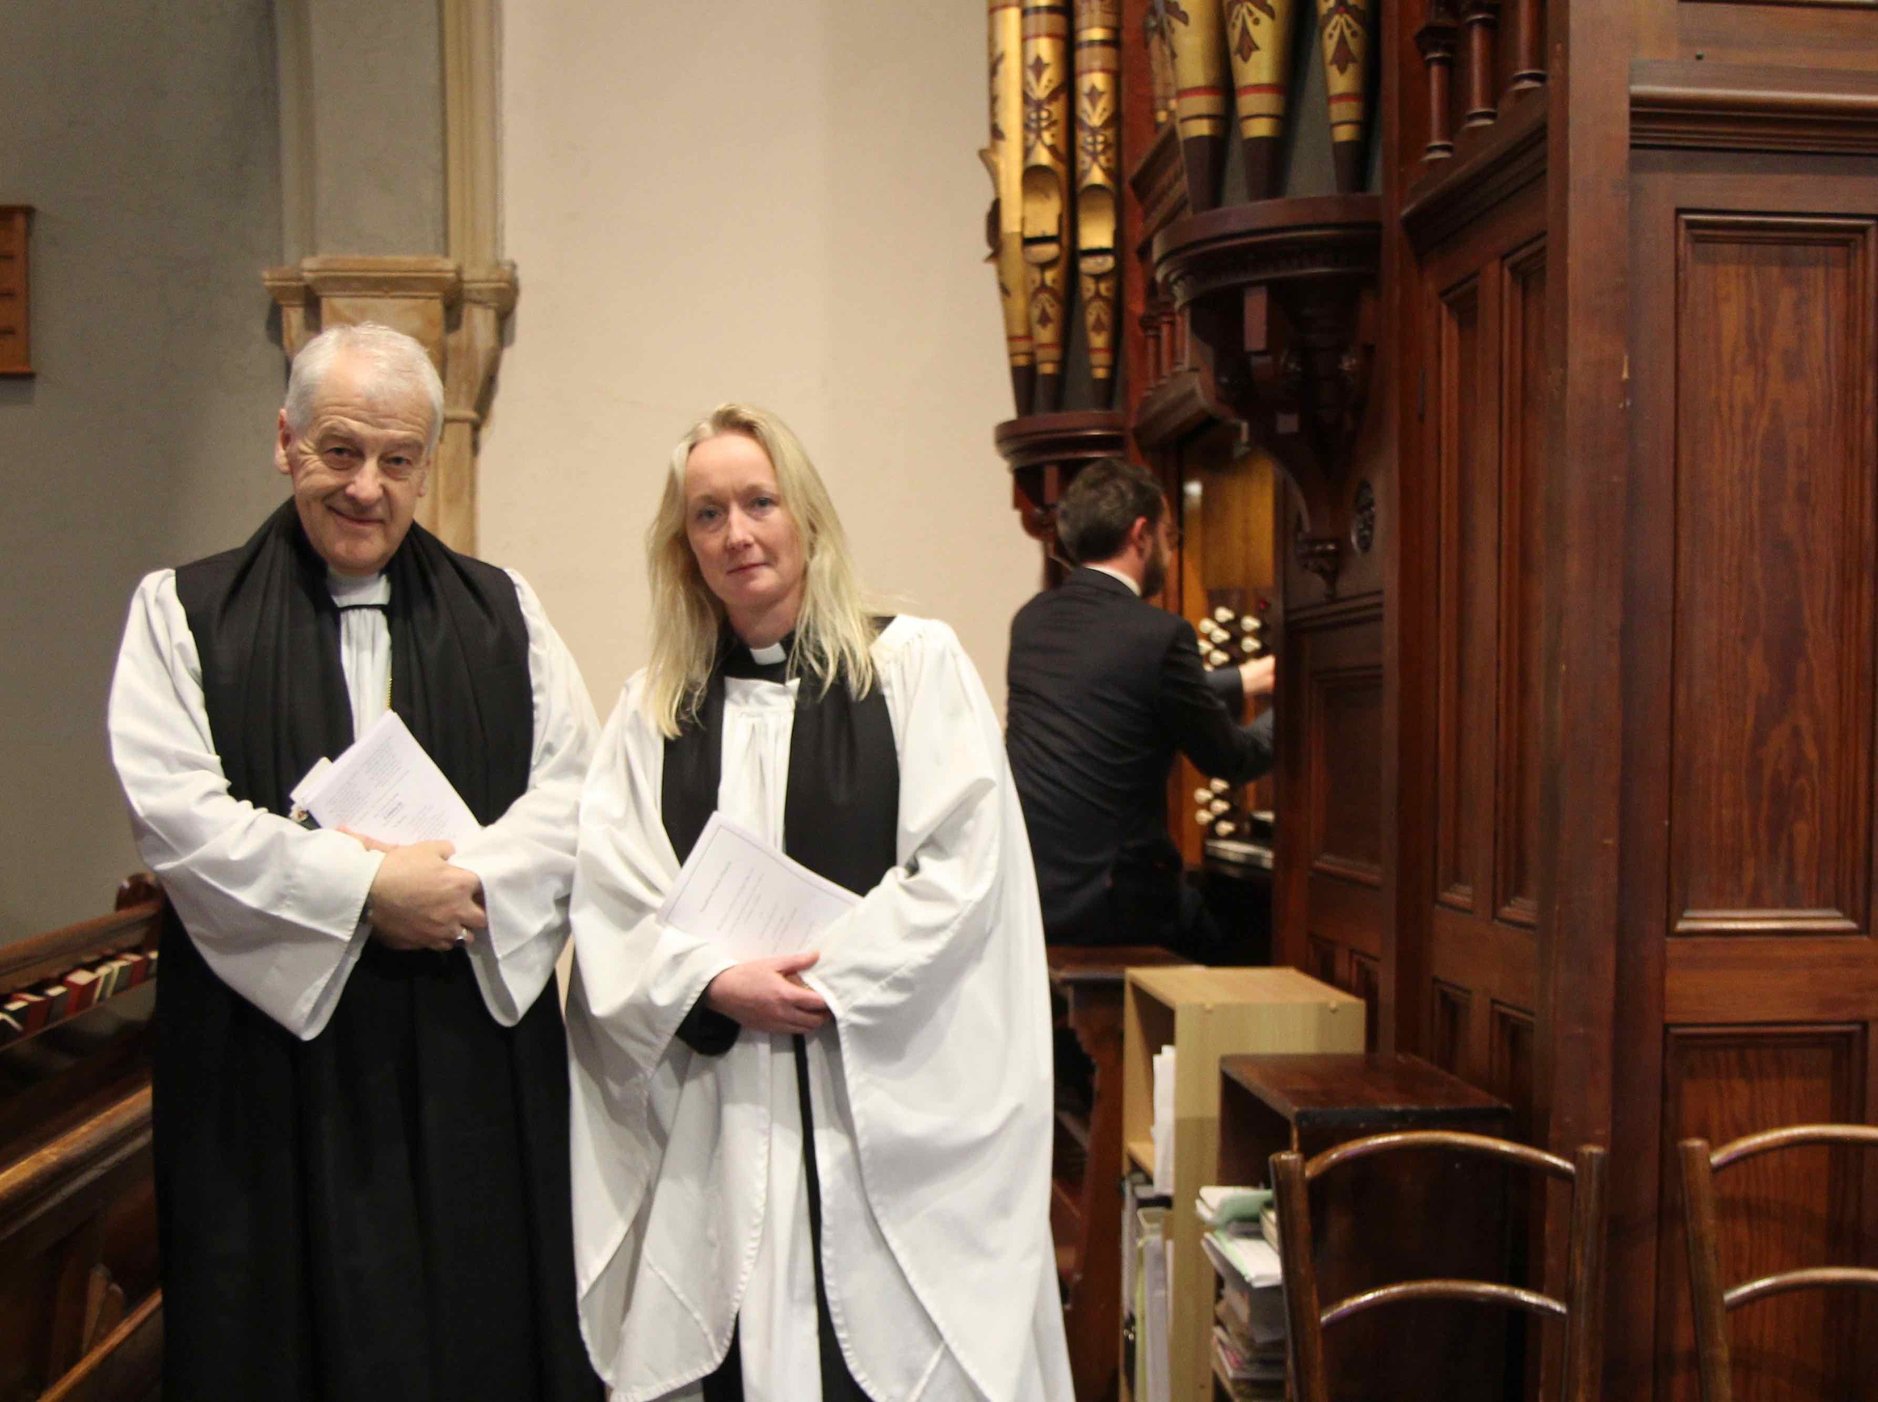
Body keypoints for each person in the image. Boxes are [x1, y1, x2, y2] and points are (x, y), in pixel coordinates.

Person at [107, 323, 601, 1401]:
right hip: (266, 1061)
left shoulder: (505, 612)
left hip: (467, 1036)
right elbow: (178, 815)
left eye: (398, 458)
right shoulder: (181, 612)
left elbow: (575, 795)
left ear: (429, 461)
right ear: (284, 442)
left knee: (477, 1322)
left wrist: (456, 882)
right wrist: (368, 890)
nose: (367, 486)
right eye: (339, 450)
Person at [564, 404, 1072, 1402]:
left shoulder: (911, 666)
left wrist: (817, 975)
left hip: (874, 1099)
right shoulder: (655, 708)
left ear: (807, 517)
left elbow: (965, 870)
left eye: (759, 502)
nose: (737, 534)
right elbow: (610, 896)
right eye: (707, 514)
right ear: (684, 545)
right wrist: (714, 979)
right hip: (723, 1110)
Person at [1005, 456, 1275, 952]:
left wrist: (1241, 679)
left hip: (1032, 895)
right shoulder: (1160, 634)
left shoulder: (1034, 622)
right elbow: (1230, 759)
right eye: (1172, 538)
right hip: (1114, 908)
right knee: (1252, 934)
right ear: (1142, 534)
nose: (1170, 553)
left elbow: (1113, 692)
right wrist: (1296, 702)